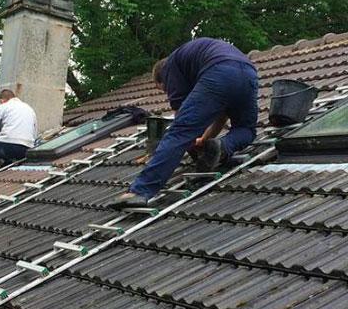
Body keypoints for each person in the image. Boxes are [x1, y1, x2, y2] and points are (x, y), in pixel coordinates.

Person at [109, 37, 259, 210]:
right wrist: (207, 141)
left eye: (165, 90)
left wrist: (190, 143)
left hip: (219, 71)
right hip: (249, 72)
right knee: (246, 129)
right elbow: (222, 116)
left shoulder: (170, 67)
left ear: (162, 79)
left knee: (178, 133)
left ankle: (140, 191)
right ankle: (224, 147)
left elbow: (183, 124)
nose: (169, 93)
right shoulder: (195, 60)